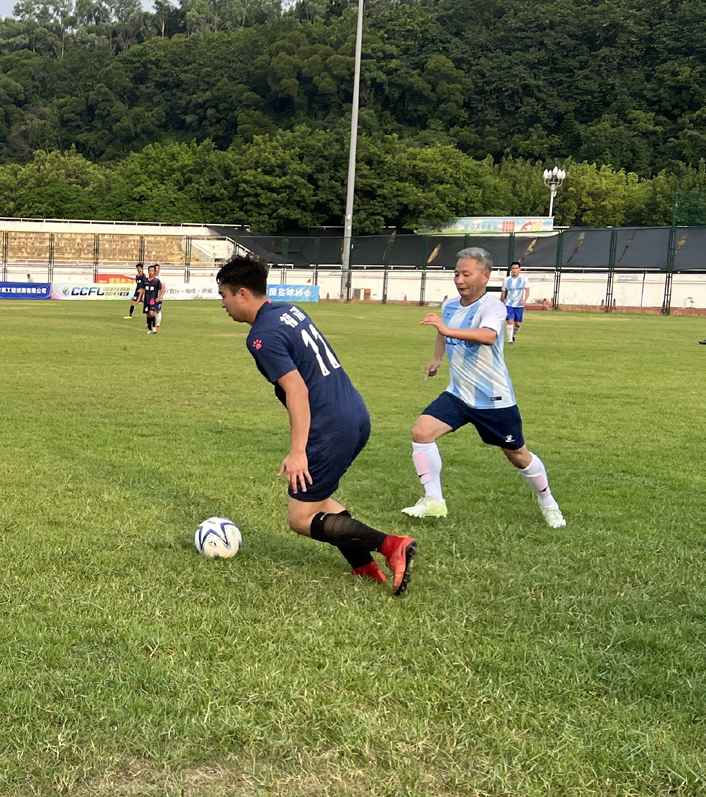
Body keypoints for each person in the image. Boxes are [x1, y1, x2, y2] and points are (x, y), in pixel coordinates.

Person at [218, 255, 416, 592]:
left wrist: (298, 452)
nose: (221, 304)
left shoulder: (260, 337)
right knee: (320, 500)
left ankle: (392, 545)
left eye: (223, 295)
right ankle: (365, 567)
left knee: (300, 518)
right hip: (354, 413)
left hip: (329, 425)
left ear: (242, 294)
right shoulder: (287, 310)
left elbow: (297, 390)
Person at [403, 247, 566, 529]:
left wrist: (447, 330)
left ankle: (548, 502)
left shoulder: (493, 306)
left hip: (494, 399)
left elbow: (488, 337)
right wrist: (437, 359)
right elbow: (443, 333)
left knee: (519, 456)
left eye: (466, 273)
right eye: (456, 273)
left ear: (485, 275)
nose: (459, 279)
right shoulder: (450, 306)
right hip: (458, 395)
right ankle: (434, 501)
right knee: (422, 431)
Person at [501, 261, 529, 343]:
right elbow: (503, 292)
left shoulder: (524, 279)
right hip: (509, 304)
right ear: (511, 269)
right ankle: (510, 341)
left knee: (518, 324)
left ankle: (512, 335)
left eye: (516, 268)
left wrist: (525, 300)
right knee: (510, 321)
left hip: (519, 305)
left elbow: (527, 291)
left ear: (519, 269)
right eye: (513, 268)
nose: (514, 270)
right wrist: (502, 301)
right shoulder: (506, 280)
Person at [141, 264, 165, 333]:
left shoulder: (157, 281)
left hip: (153, 300)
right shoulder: (145, 280)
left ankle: (154, 327)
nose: (151, 272)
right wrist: (142, 296)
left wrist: (159, 297)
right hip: (146, 300)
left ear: (155, 272)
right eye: (150, 271)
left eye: (152, 271)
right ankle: (149, 329)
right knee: (148, 314)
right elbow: (143, 289)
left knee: (152, 313)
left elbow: (161, 290)